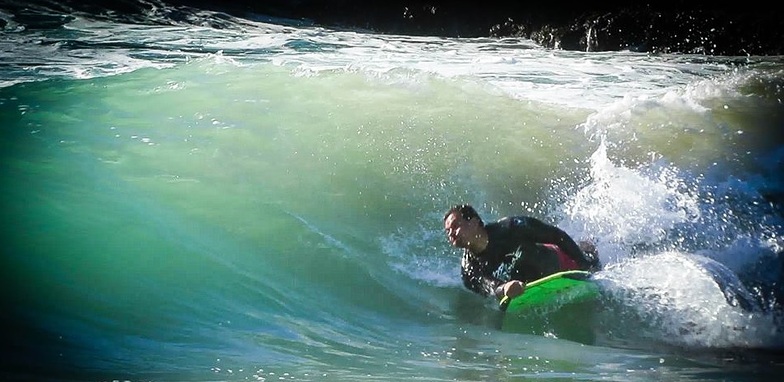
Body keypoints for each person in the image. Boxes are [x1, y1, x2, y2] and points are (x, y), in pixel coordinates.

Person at [444, 204, 600, 301]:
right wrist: (504, 289)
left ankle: (587, 247)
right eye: (447, 231)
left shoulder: (511, 227)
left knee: (524, 255)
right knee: (517, 264)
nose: (451, 233)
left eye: (456, 225)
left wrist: (584, 263)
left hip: (557, 260)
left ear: (475, 222)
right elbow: (488, 287)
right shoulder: (468, 269)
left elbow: (556, 236)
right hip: (522, 282)